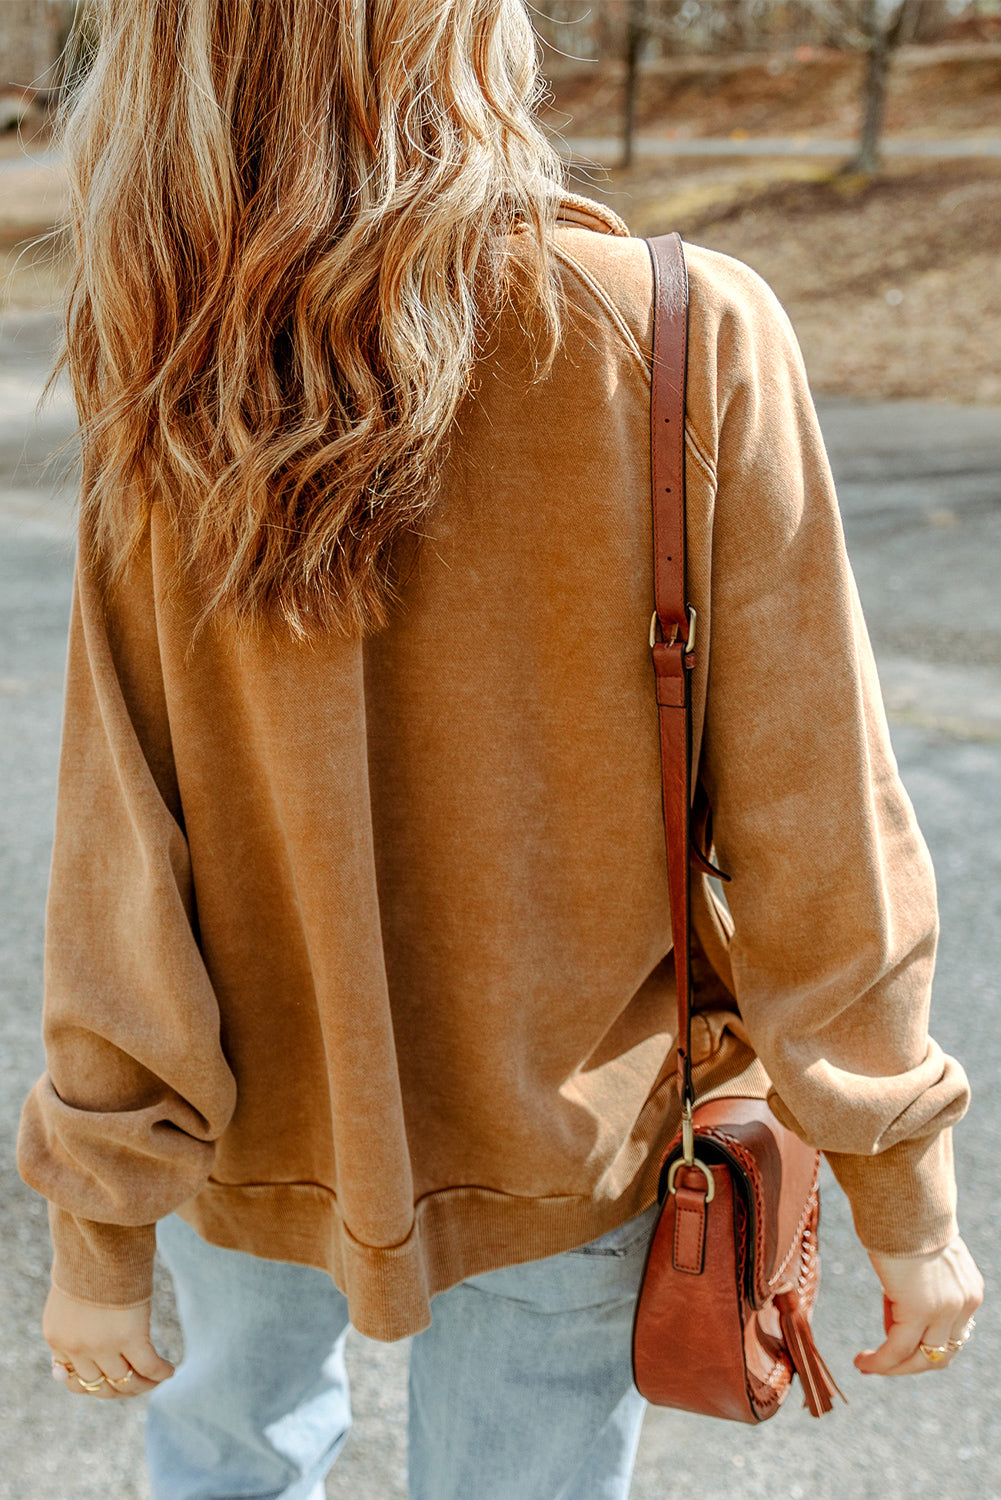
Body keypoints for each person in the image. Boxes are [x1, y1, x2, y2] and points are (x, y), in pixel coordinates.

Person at [17, 3, 983, 1498]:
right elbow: (814, 815)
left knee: (223, 1467)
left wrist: (103, 1223)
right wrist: (899, 1192)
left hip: (241, 1131)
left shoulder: (166, 374)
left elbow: (117, 845)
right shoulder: (676, 330)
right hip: (567, 1131)